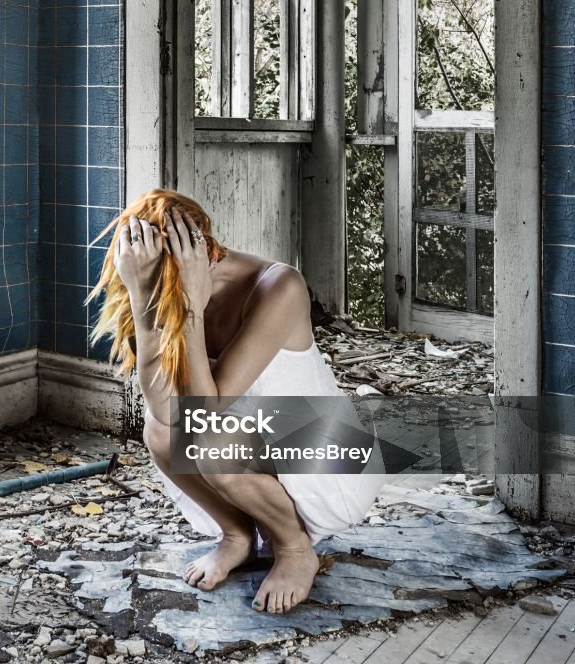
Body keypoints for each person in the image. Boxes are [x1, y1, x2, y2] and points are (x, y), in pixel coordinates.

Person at [85, 189, 385, 615]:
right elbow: (163, 410)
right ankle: (238, 536)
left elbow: (204, 413)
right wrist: (140, 295)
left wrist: (190, 302)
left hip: (329, 464)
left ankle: (295, 549)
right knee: (160, 430)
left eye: (163, 283)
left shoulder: (279, 286)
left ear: (206, 254)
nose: (159, 293)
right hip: (259, 449)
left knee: (208, 439)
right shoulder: (154, 285)